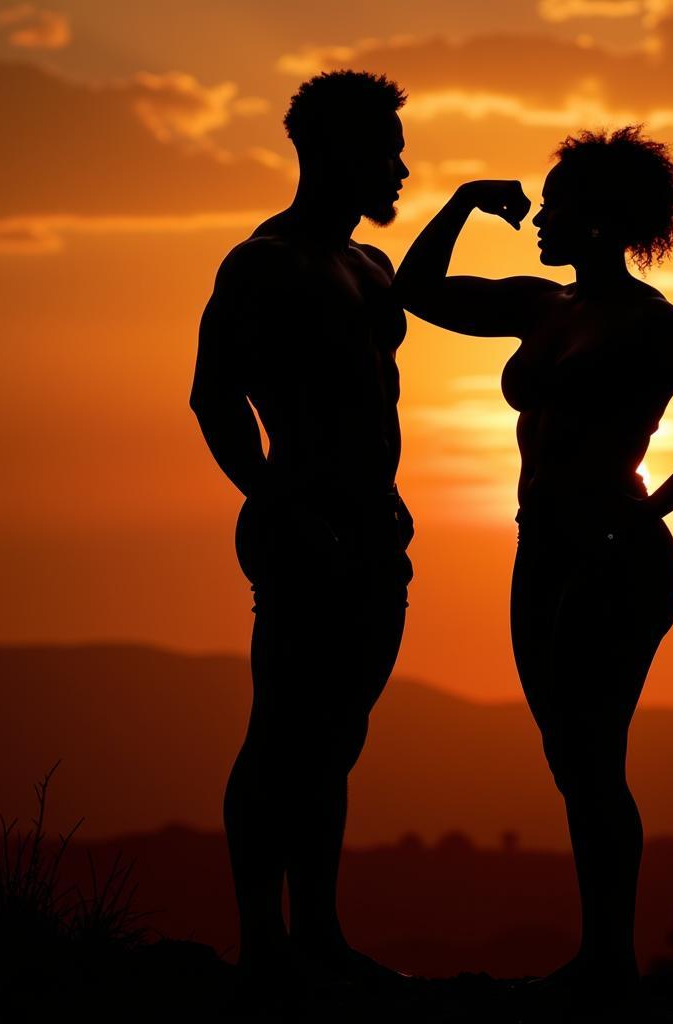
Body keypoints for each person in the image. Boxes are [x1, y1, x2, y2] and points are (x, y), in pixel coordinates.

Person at [395, 126, 673, 1003]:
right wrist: (462, 202)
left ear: (600, 220)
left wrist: (648, 515)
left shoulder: (655, 325)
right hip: (542, 551)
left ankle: (610, 964)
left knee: (594, 754)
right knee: (571, 756)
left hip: (615, 558)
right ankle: (603, 959)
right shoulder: (544, 307)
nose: (542, 219)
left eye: (557, 206)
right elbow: (419, 291)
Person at [190, 70, 414, 990]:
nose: (402, 168)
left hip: (375, 534)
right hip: (302, 529)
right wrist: (278, 502)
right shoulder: (263, 264)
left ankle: (316, 931)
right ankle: (261, 940)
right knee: (281, 728)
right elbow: (214, 396)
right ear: (333, 154)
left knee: (337, 736)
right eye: (387, 151)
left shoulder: (371, 268)